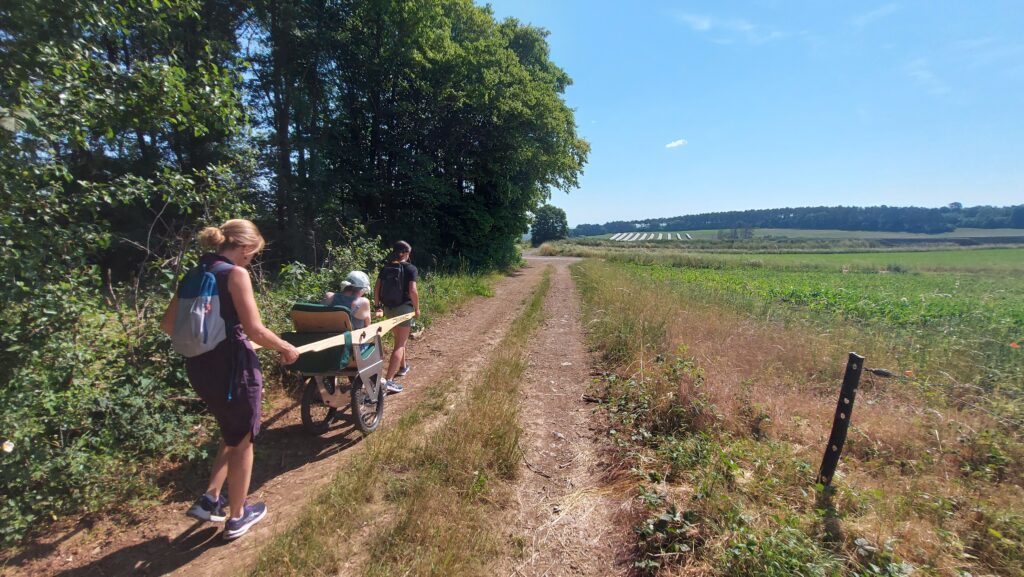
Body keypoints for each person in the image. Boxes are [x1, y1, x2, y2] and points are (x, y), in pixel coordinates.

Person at [160, 219, 300, 541]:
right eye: (253, 255)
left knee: (230, 429)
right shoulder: (236, 274)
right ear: (246, 248)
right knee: (244, 440)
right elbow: (255, 330)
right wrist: (286, 348)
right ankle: (238, 516)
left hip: (199, 368)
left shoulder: (194, 274)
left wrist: (209, 336)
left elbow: (168, 324)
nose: (251, 260)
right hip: (234, 369)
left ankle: (211, 497)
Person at [374, 240, 419, 393]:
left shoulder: (386, 267)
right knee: (400, 344)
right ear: (406, 253)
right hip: (404, 308)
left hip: (388, 308)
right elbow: (413, 291)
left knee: (399, 339)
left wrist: (377, 306)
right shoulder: (411, 268)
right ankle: (389, 381)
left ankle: (403, 367)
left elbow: (377, 288)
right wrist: (417, 309)